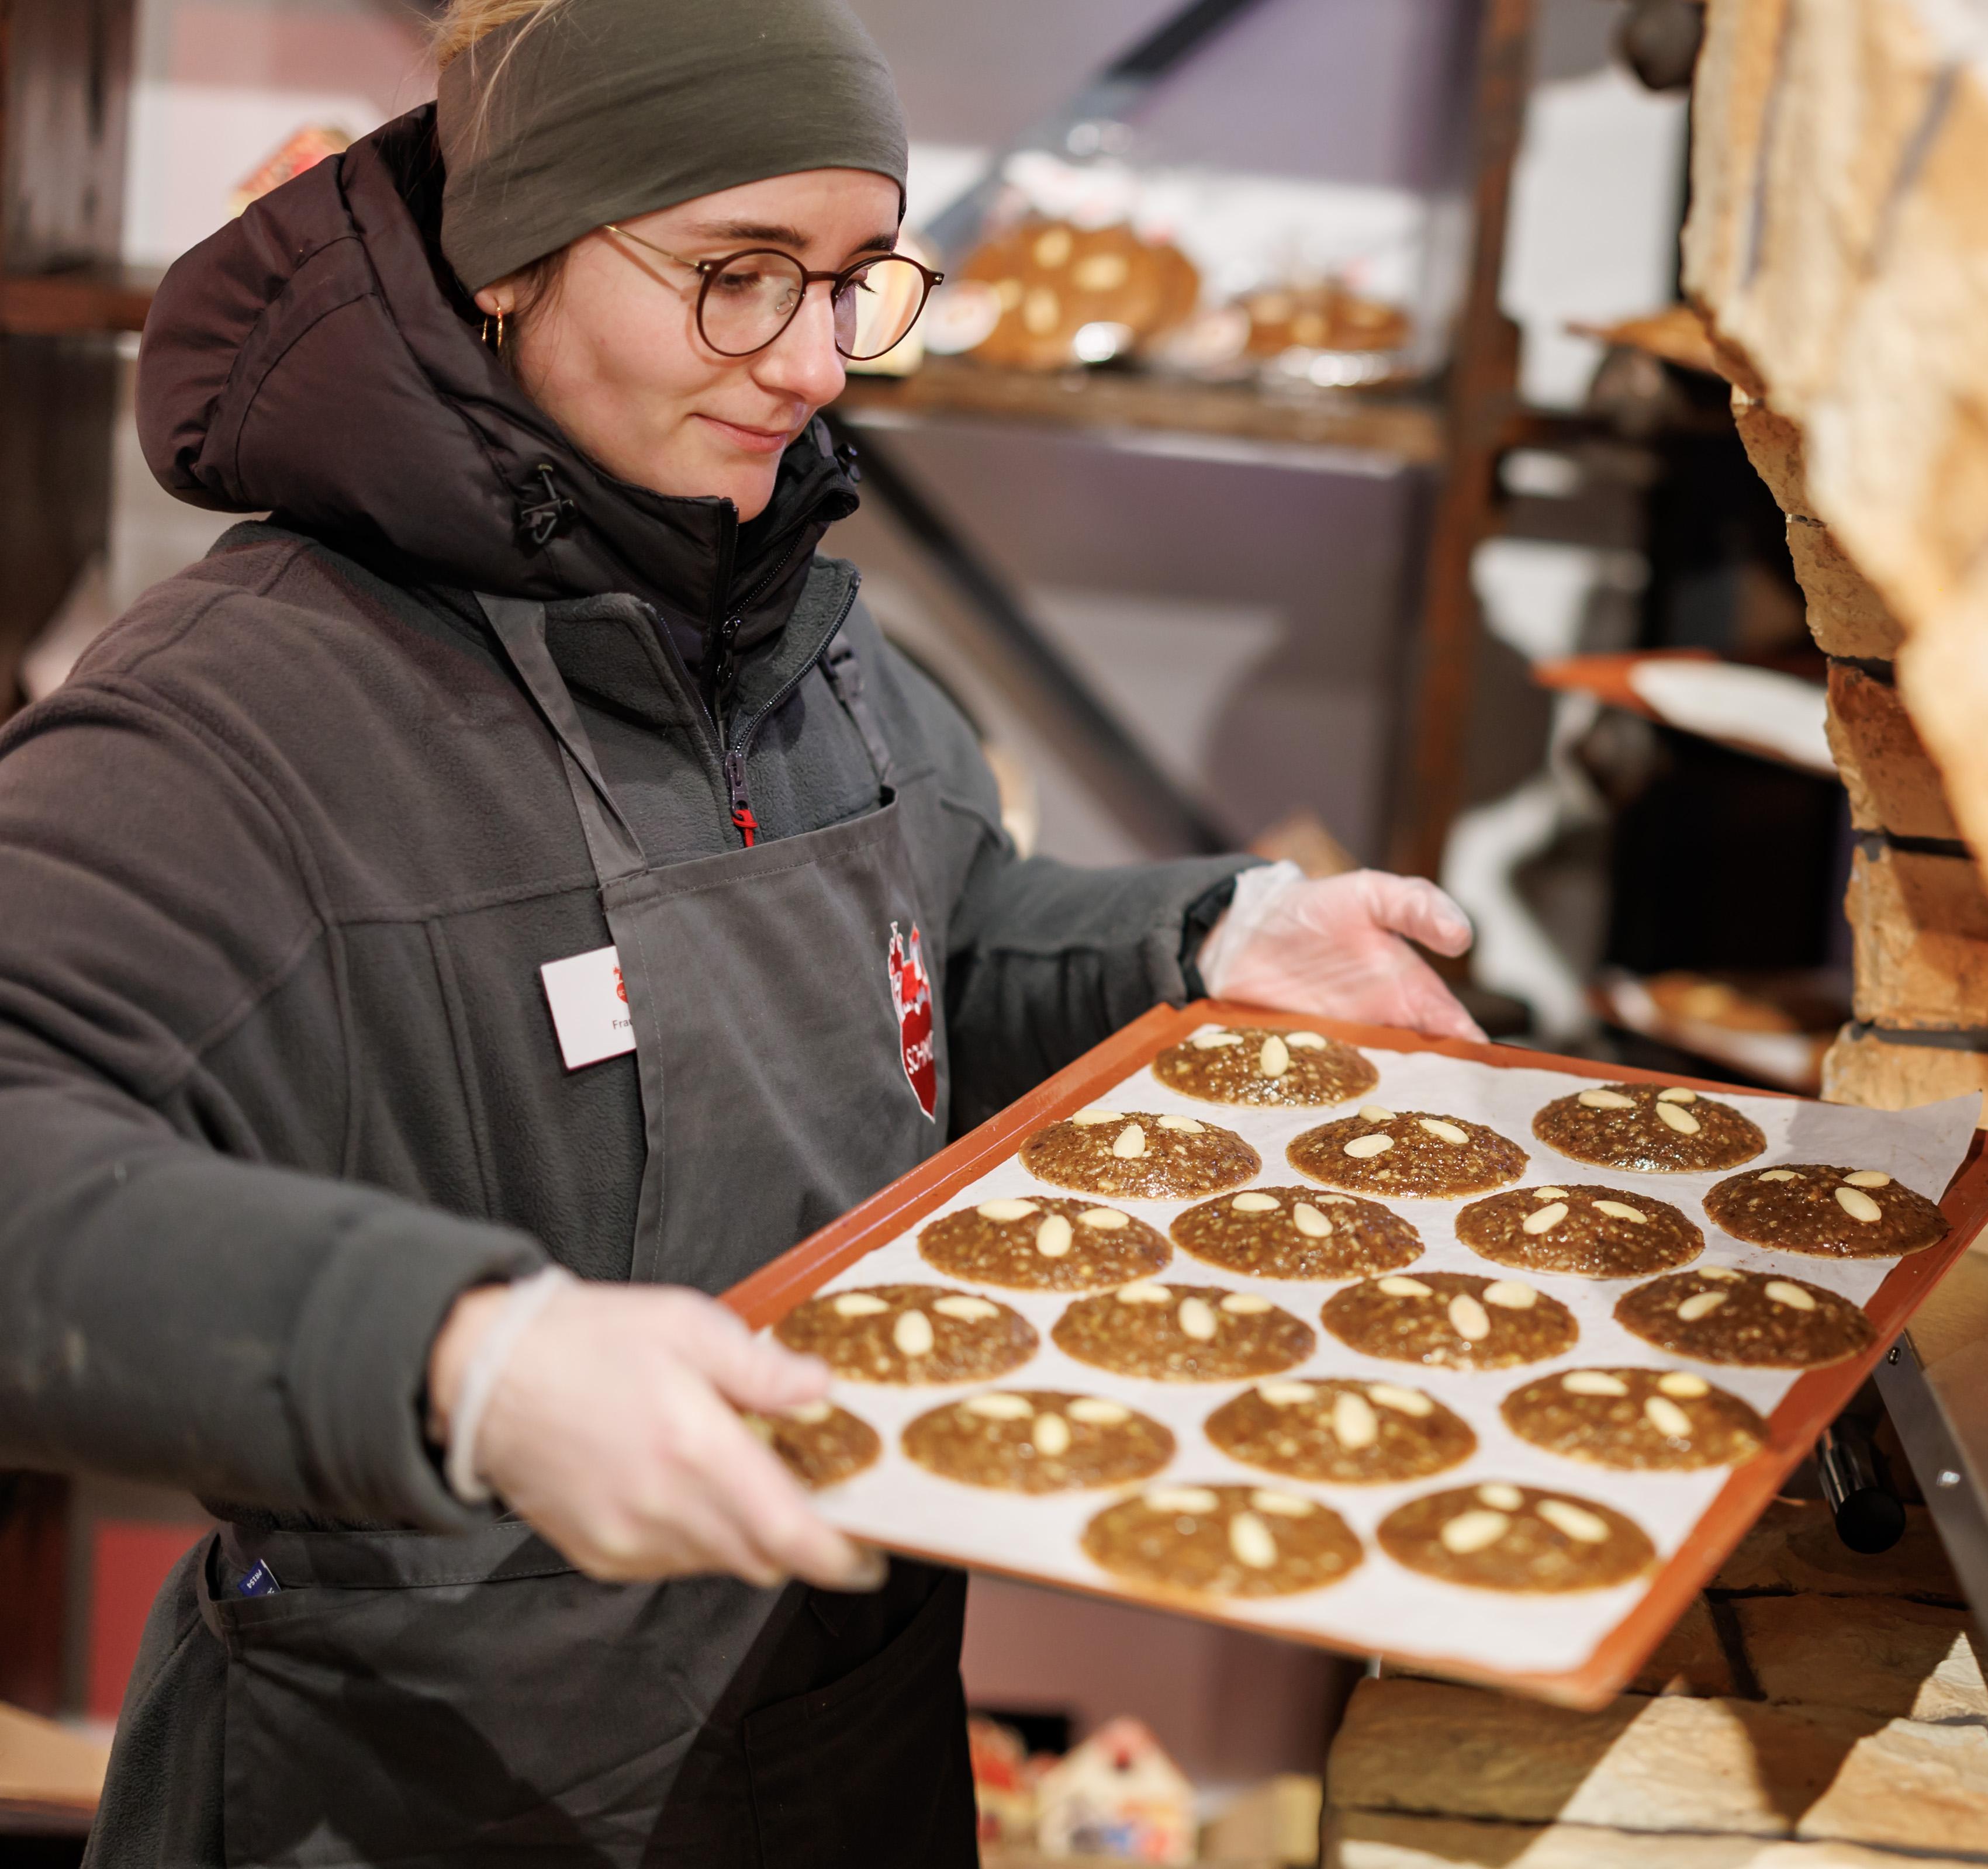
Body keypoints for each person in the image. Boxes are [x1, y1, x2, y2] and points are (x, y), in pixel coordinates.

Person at [0, 0, 1482, 1860]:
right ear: (507, 268)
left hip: (840, 1757)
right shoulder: (248, 717)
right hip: (428, 1799)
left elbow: (936, 952)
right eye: (734, 276)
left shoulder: (803, 637)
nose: (808, 365)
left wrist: (1202, 946)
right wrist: (467, 1358)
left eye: (854, 280)